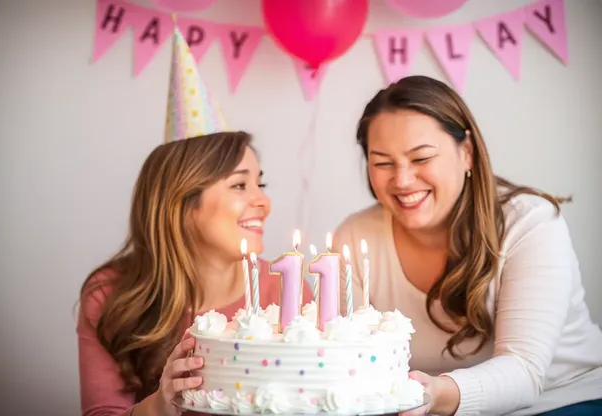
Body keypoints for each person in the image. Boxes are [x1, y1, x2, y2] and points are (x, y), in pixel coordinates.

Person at [76, 24, 313, 416]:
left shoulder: (286, 289)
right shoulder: (110, 297)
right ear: (182, 204)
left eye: (261, 183)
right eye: (240, 186)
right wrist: (160, 404)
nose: (264, 202)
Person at [333, 75, 602, 416]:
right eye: (383, 163)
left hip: (564, 399)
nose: (402, 180)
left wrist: (437, 393)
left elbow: (524, 371)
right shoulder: (354, 239)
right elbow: (348, 360)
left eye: (421, 159)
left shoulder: (531, 223)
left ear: (467, 153)